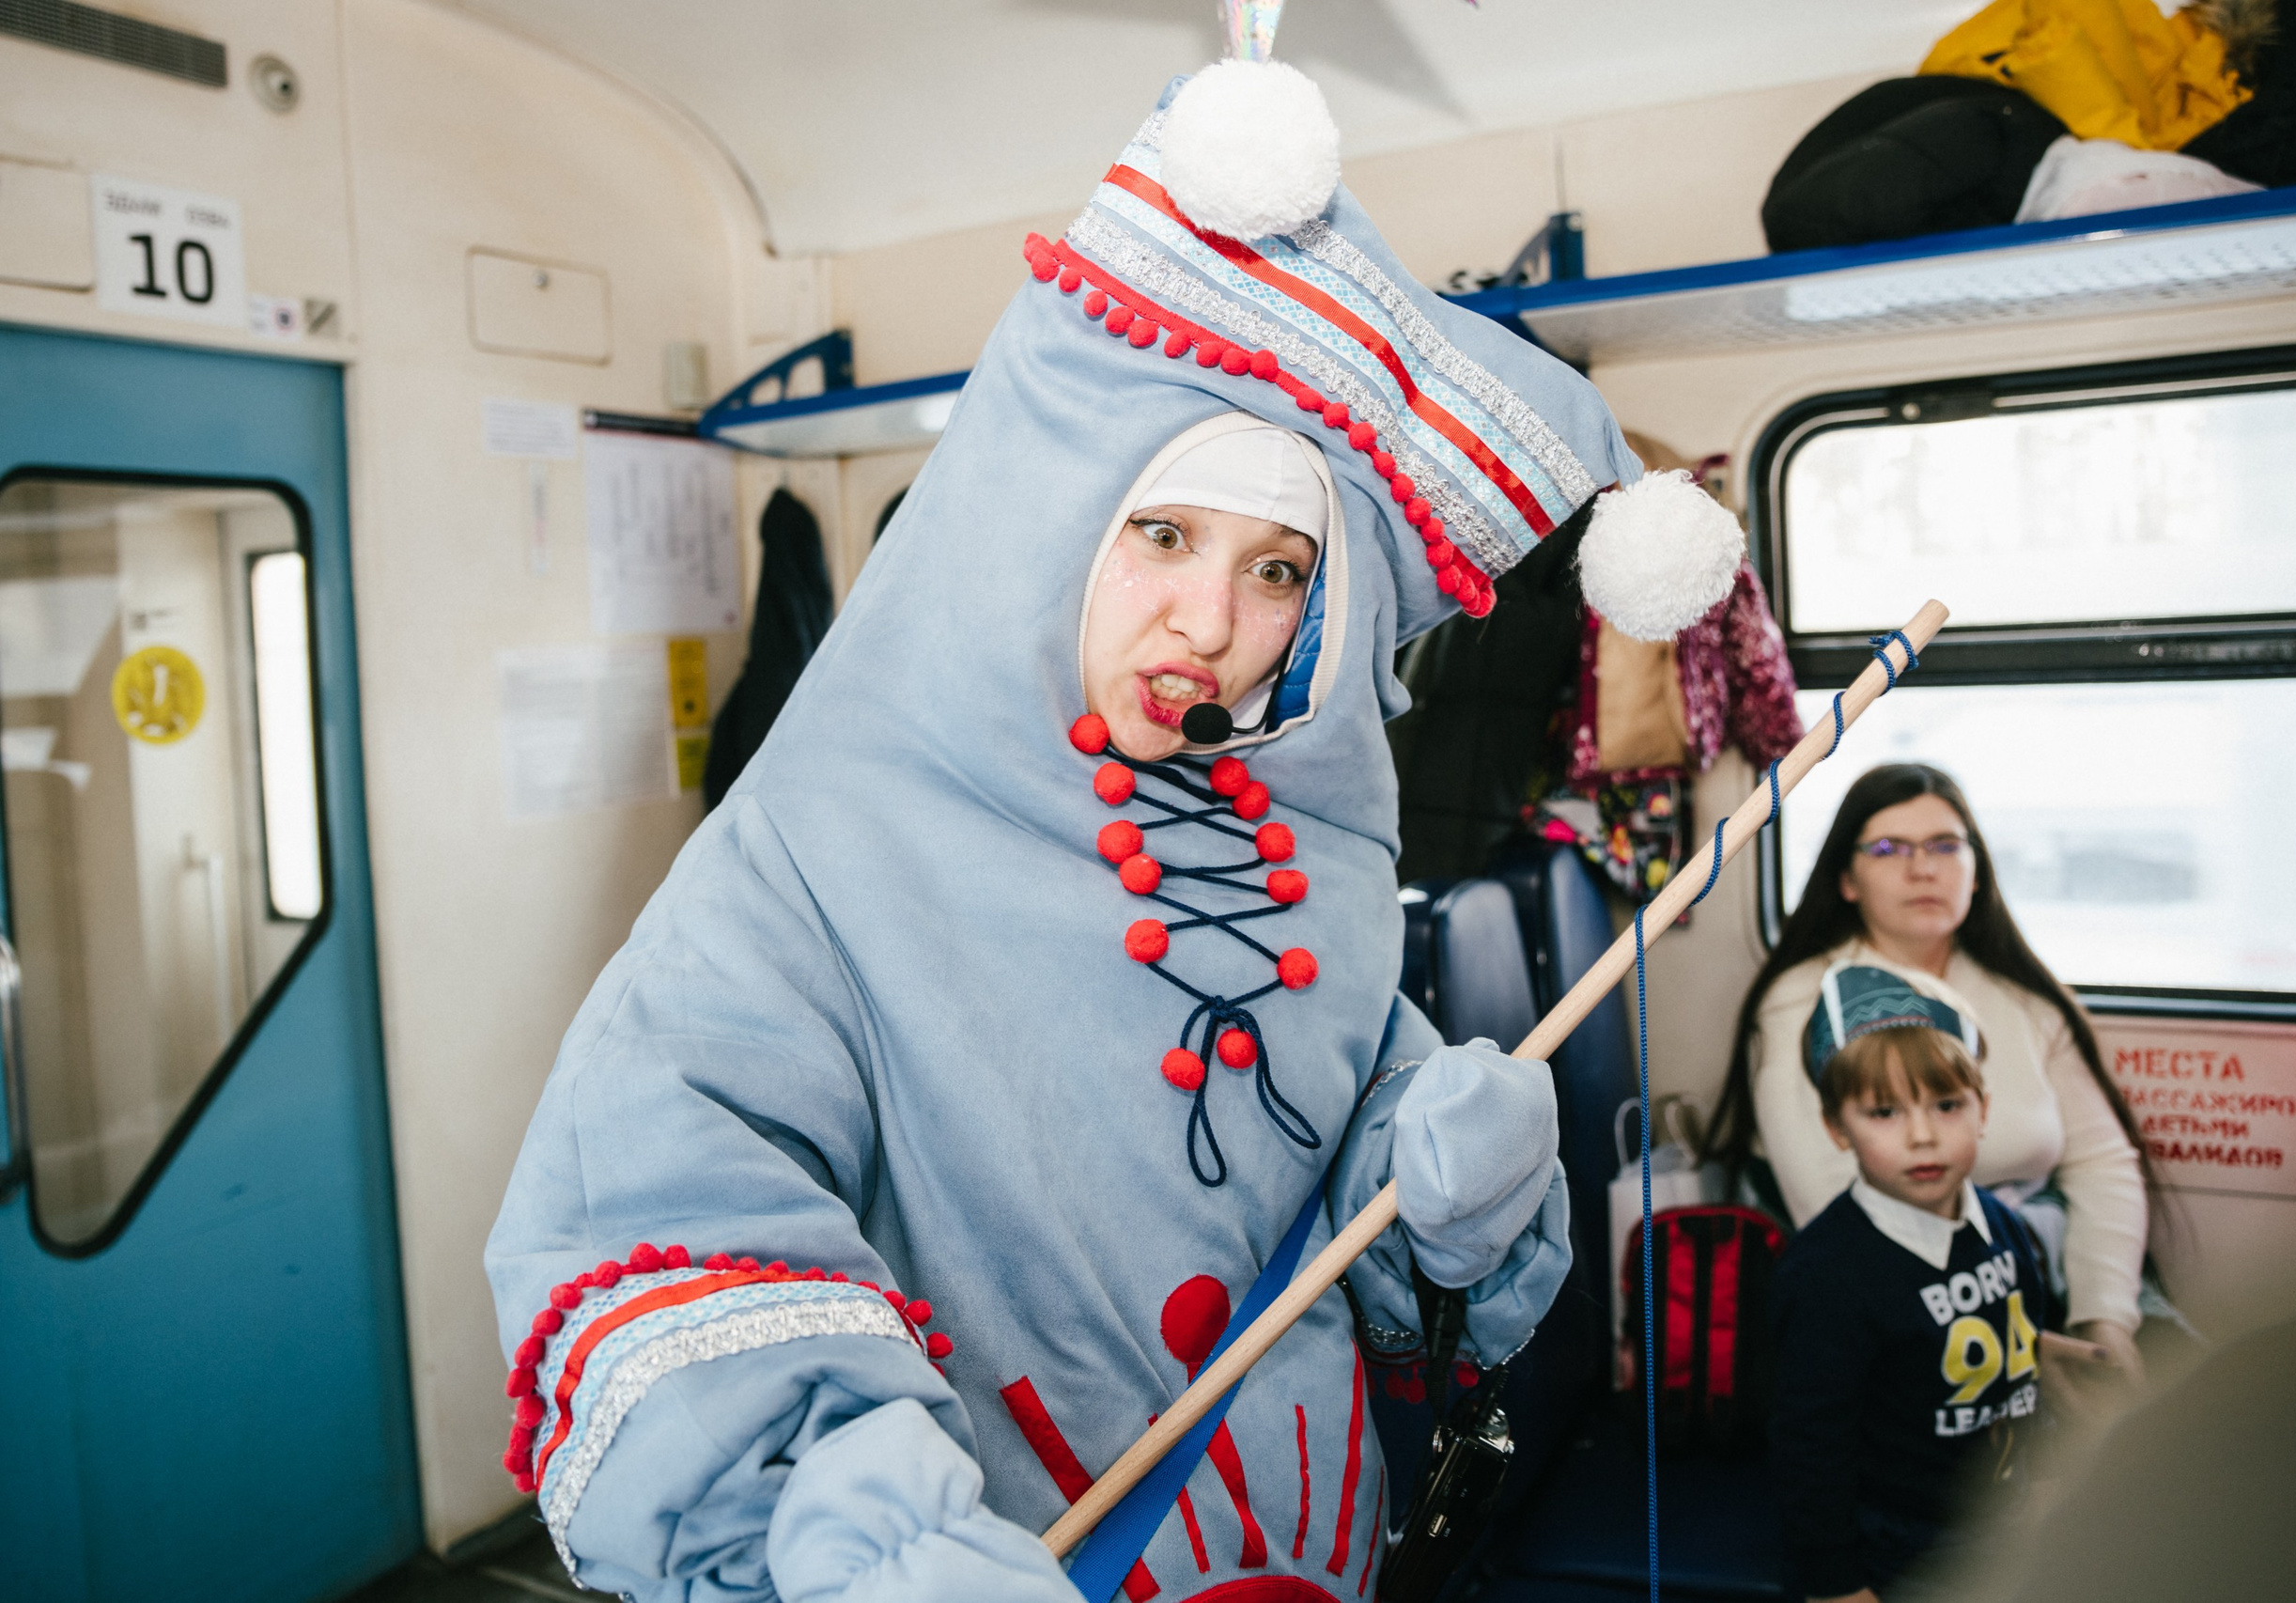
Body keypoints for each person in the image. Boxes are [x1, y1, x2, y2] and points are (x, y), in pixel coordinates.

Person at [483, 56, 1744, 1603]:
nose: (1215, 621)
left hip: (1304, 1551)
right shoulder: (815, 854)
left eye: (1281, 571)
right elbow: (647, 1215)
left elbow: (1330, 1204)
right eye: (1162, 535)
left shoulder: (1321, 855)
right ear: (1052, 525)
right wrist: (835, 1529)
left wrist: (1440, 1194)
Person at [1705, 763, 2152, 1374]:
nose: (1923, 867)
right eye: (1889, 849)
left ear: (1976, 870)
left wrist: (2106, 1323)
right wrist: (2021, 1347)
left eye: (1946, 845)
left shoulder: (2027, 1000)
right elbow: (1832, 1206)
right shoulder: (1805, 1003)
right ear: (1847, 880)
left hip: (2045, 1277)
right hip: (1889, 1302)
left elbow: (2103, 1165)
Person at [1768, 965, 2055, 1601]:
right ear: (1838, 1128)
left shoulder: (2007, 1230)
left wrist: (2043, 1485)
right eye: (1884, 1112)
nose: (1923, 1135)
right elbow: (1810, 1453)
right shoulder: (1827, 1276)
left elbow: (2024, 1369)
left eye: (1947, 1105)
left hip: (1995, 1514)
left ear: (1983, 1110)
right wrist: (1837, 1584)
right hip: (1893, 1538)